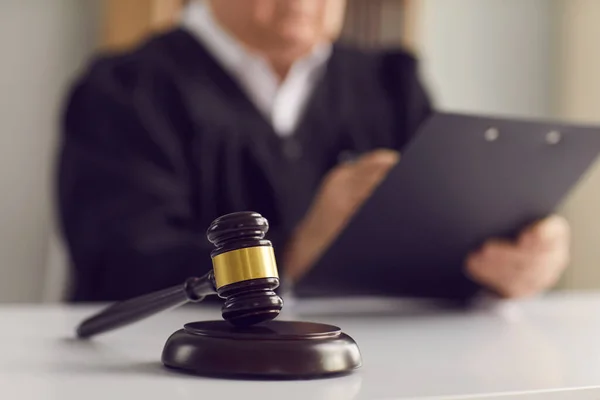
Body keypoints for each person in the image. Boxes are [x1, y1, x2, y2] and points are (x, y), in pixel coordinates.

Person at [57, 0, 570, 303]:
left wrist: (509, 260)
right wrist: (297, 249)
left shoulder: (390, 83)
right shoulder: (125, 90)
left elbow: (431, 245)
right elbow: (119, 265)